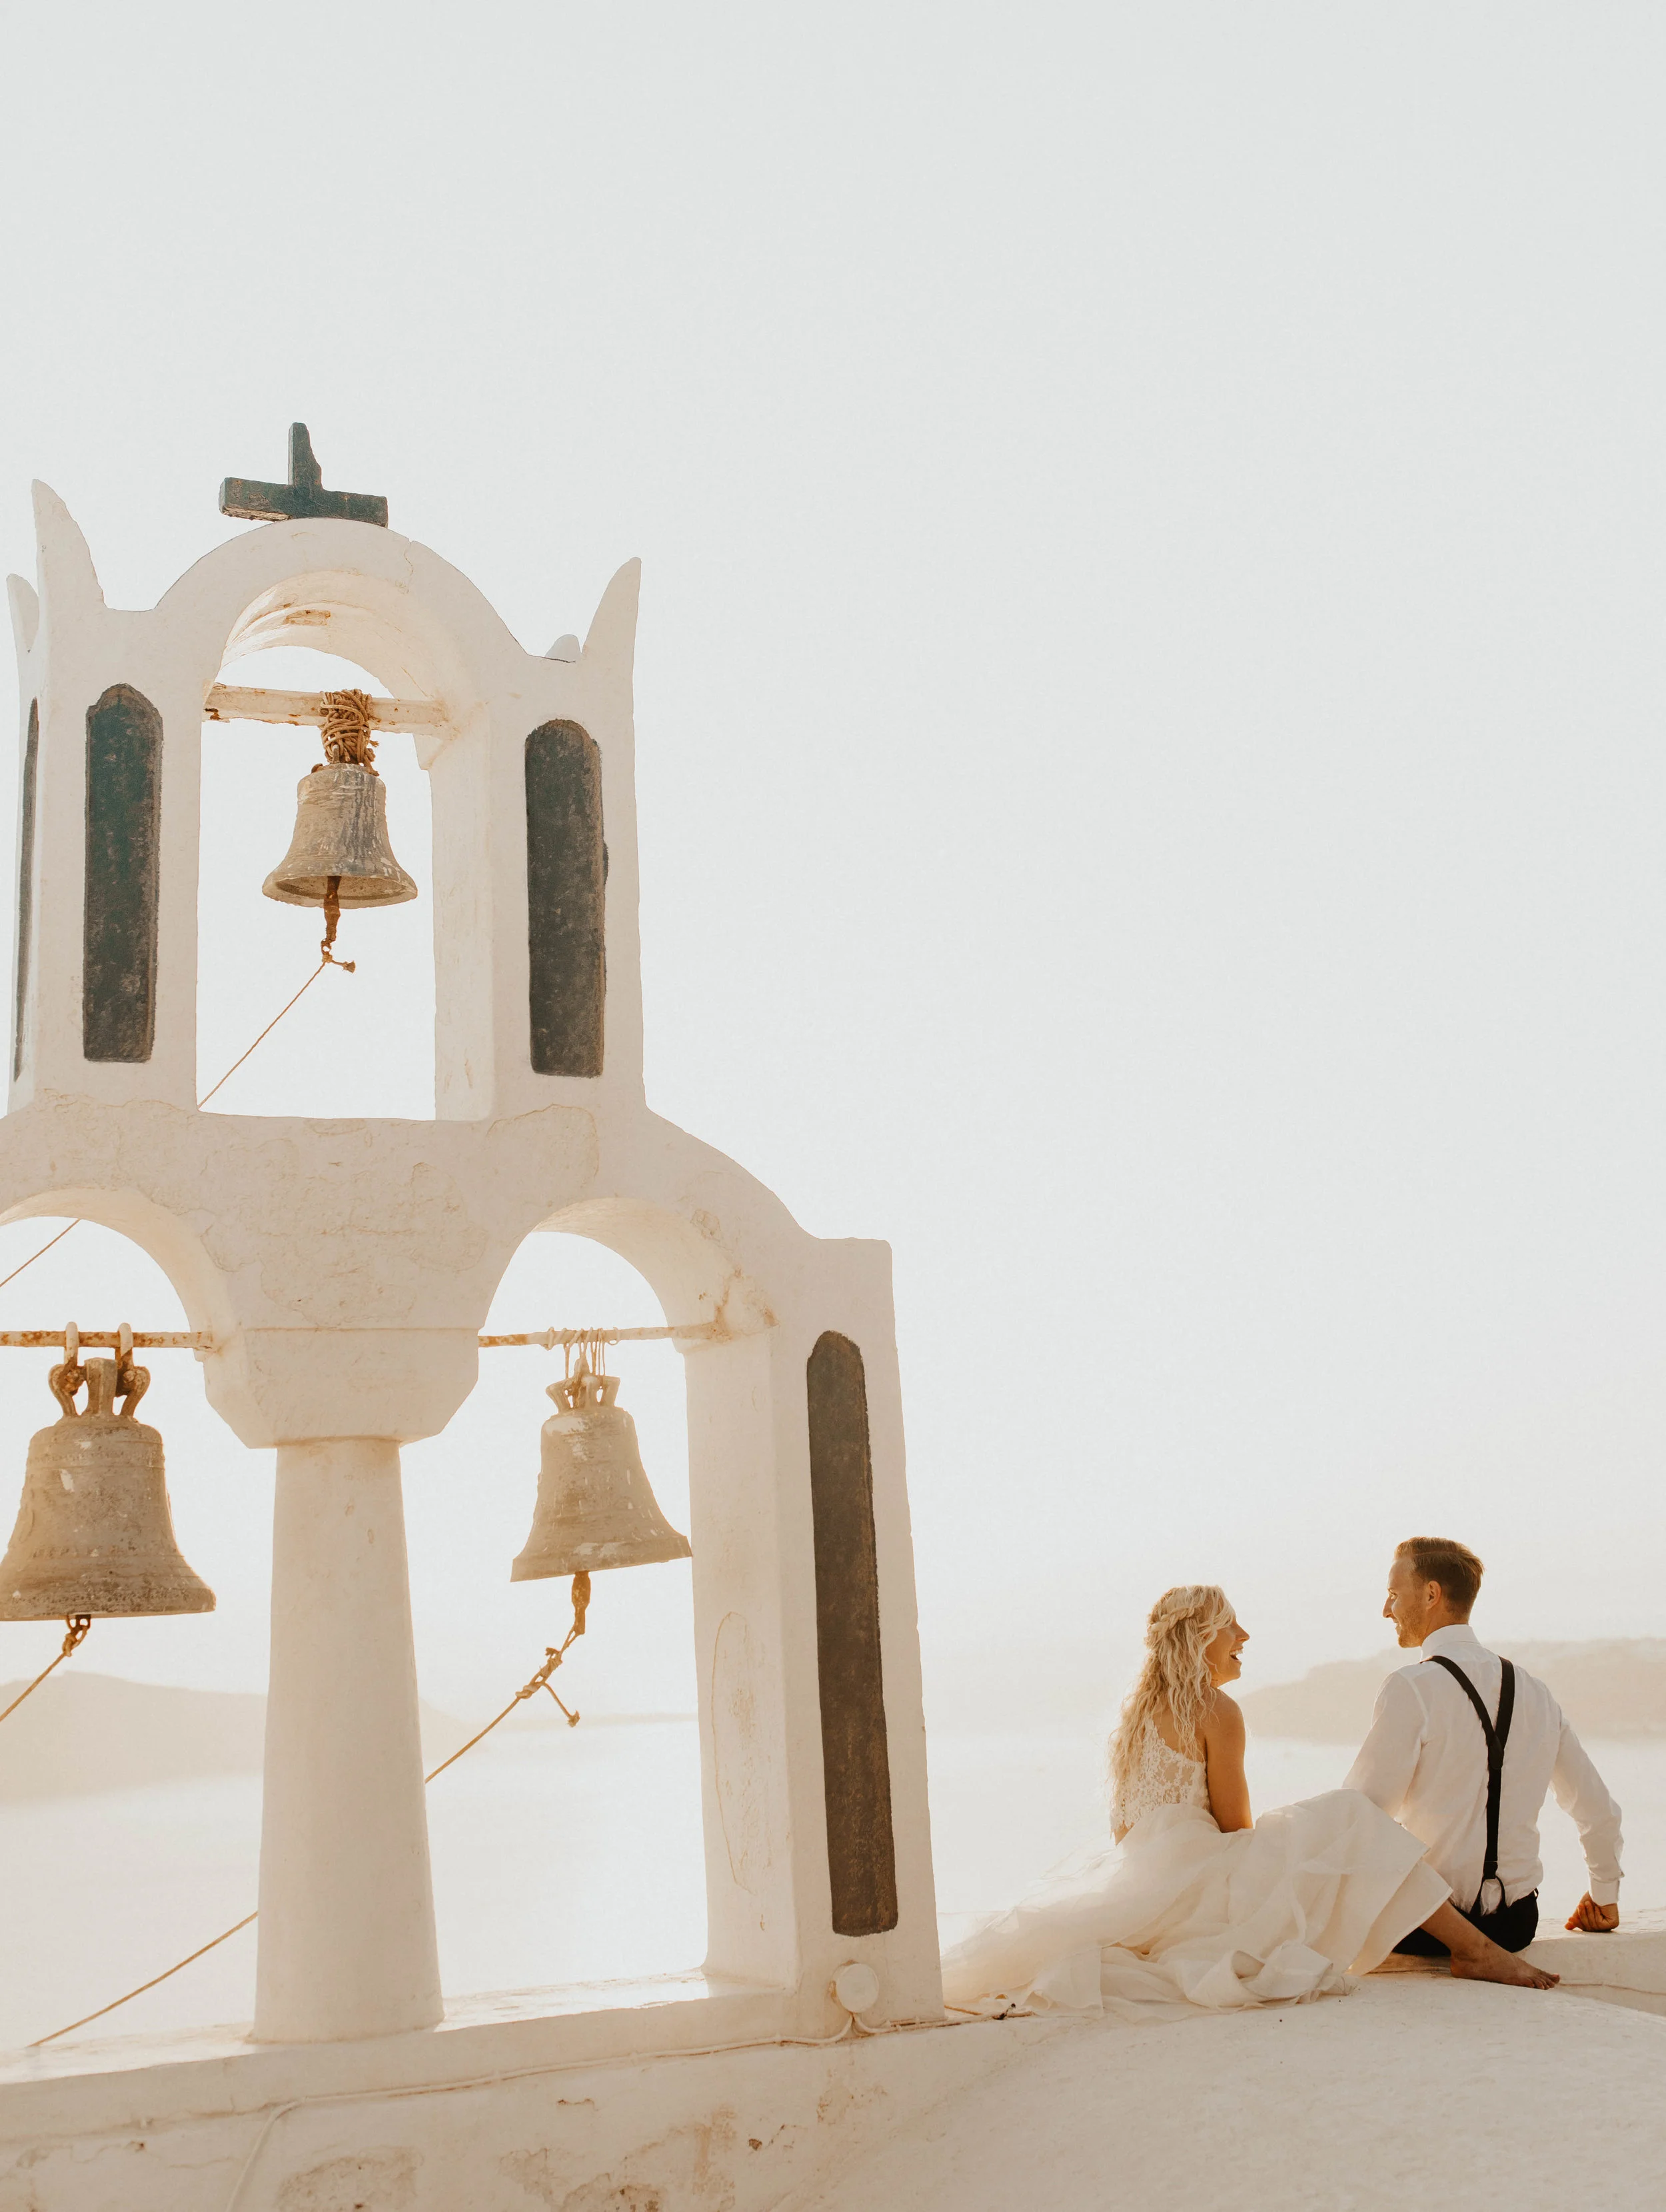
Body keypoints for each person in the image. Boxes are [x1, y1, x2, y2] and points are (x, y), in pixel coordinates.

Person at [939, 1584, 1557, 2021]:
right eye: (1231, 1625)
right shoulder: (1217, 1710)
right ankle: (1473, 1947)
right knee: (1353, 1818)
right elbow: (1236, 1829)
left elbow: (1126, 1831)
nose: (1244, 1635)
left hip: (1161, 1884)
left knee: (1345, 1826)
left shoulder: (1133, 1720)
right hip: (1209, 1878)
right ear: (1200, 1639)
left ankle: (1470, 1946)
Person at [1346, 1536, 1623, 1959]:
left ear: (1432, 1594)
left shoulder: (1411, 1688)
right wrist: (1604, 1897)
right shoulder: (1536, 1692)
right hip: (1516, 1927)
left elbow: (1363, 1812)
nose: (1387, 1610)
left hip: (1424, 1929)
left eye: (1393, 1595)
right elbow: (1596, 1809)